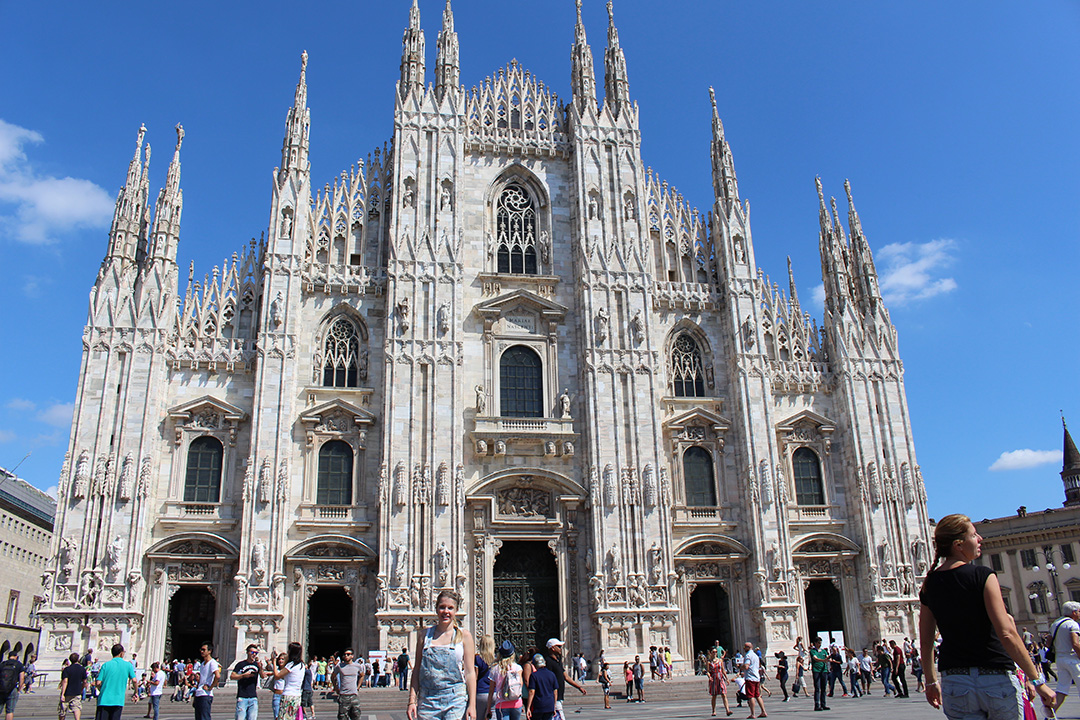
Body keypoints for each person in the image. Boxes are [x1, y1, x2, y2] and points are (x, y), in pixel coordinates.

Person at [919, 513, 1056, 719]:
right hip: (995, 678)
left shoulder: (929, 583)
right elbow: (1007, 633)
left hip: (955, 681)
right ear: (958, 544)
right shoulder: (982, 575)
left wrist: (931, 681)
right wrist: (1037, 680)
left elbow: (926, 640)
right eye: (974, 535)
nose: (980, 539)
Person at [406, 589, 477, 720]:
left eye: (450, 608)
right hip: (428, 700)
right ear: (436, 609)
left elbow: (470, 673)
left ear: (456, 610)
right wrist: (412, 701)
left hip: (455, 699)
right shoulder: (424, 636)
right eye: (442, 607)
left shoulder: (464, 636)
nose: (446, 611)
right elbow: (417, 670)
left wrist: (472, 705)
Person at [1045, 600, 1080, 718]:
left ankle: (1051, 713)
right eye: (1079, 611)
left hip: (1060, 659)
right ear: (1074, 612)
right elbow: (1075, 643)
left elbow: (1048, 642)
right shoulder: (1072, 624)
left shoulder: (1055, 623)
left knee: (1062, 688)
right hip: (1072, 659)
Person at [540, 638, 585, 719]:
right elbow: (548, 681)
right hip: (553, 697)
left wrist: (579, 687)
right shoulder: (548, 662)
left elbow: (566, 677)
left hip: (560, 696)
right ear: (553, 648)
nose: (561, 648)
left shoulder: (558, 661)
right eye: (559, 646)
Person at [96, 644, 137, 720]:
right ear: (121, 653)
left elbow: (98, 683)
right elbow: (134, 680)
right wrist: (136, 692)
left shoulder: (105, 665)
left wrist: (101, 689)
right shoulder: (128, 665)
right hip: (118, 700)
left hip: (104, 700)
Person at [484, 641, 523, 720]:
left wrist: (488, 709)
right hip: (516, 703)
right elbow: (520, 684)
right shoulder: (518, 668)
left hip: (502, 703)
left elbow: (491, 691)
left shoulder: (495, 669)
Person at [269, 644, 306, 720]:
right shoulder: (302, 665)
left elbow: (277, 676)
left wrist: (274, 661)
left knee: (283, 717)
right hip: (297, 696)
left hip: (288, 695)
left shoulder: (291, 665)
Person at [229, 645, 263, 720]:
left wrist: (261, 668)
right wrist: (243, 675)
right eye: (252, 652)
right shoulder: (241, 664)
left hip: (253, 697)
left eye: (256, 653)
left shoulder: (256, 664)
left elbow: (263, 676)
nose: (254, 654)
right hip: (242, 696)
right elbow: (232, 676)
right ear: (247, 652)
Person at [739, 642, 767, 719]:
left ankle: (753, 714)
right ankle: (763, 711)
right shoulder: (755, 655)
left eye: (745, 647)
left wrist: (741, 668)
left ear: (748, 647)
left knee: (751, 696)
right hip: (756, 677)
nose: (744, 648)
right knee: (757, 695)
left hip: (750, 678)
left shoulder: (748, 655)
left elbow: (746, 666)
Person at [524, 655, 557, 720]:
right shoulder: (552, 674)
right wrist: (554, 706)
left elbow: (531, 691)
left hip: (538, 706)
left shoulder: (534, 675)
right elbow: (555, 691)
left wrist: (528, 708)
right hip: (549, 705)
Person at [192, 643, 220, 720]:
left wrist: (210, 687)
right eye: (201, 649)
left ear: (209, 651)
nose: (201, 651)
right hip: (199, 693)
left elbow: (217, 676)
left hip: (205, 695)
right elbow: (201, 680)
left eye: (204, 650)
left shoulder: (212, 662)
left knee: (204, 717)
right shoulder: (202, 664)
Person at [59, 653, 86, 720]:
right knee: (77, 708)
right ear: (78, 659)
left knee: (62, 710)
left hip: (67, 692)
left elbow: (65, 681)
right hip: (77, 692)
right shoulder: (82, 669)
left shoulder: (67, 669)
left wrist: (62, 694)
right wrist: (82, 689)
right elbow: (85, 681)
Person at [706, 647, 731, 717]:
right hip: (713, 679)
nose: (715, 653)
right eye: (713, 652)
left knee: (724, 694)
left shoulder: (720, 660)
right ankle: (713, 710)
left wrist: (727, 678)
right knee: (714, 695)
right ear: (710, 653)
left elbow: (723, 670)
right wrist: (709, 677)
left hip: (720, 678)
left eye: (716, 652)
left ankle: (727, 710)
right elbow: (708, 671)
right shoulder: (709, 662)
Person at [809, 637, 829, 712]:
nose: (820, 644)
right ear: (815, 643)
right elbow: (815, 658)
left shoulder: (824, 651)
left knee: (824, 688)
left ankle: (823, 704)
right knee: (817, 688)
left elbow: (827, 657)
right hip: (816, 670)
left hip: (824, 670)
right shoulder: (813, 651)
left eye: (820, 643)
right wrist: (823, 660)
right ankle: (817, 704)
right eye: (818, 643)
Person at [475, 635, 495, 708]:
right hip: (494, 693)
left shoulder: (478, 659)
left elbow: (475, 678)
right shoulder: (496, 660)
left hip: (481, 692)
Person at [270, 655, 287, 720]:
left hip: (285, 695)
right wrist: (273, 661)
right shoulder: (276, 669)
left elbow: (278, 676)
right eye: (279, 659)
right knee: (277, 716)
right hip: (277, 695)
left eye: (282, 659)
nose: (281, 661)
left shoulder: (288, 670)